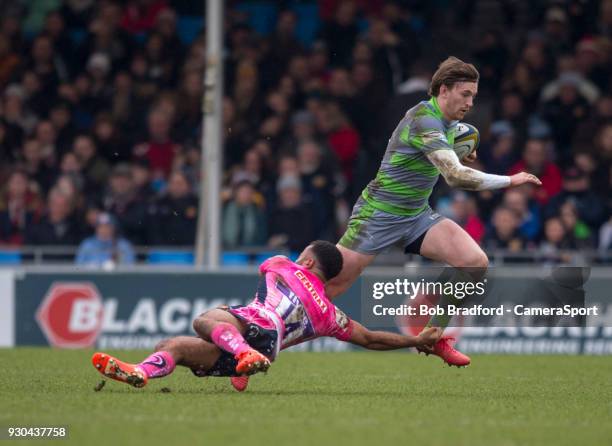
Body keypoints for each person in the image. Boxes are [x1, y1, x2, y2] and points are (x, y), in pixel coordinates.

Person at [327, 57, 542, 367]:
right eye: (465, 94)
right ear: (444, 90)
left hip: (416, 215)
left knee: (474, 262)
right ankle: (259, 338)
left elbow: (457, 139)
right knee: (329, 288)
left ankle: (433, 336)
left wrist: (463, 145)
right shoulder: (423, 120)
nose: (470, 102)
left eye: (473, 96)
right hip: (378, 214)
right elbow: (454, 177)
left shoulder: (451, 124)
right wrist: (512, 179)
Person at [91, 241, 442, 392]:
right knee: (176, 346)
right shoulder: (330, 315)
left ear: (305, 261)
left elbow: (269, 273)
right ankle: (139, 372)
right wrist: (415, 340)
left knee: (203, 321)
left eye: (301, 253)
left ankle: (243, 352)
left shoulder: (280, 264)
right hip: (268, 349)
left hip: (255, 323)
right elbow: (369, 338)